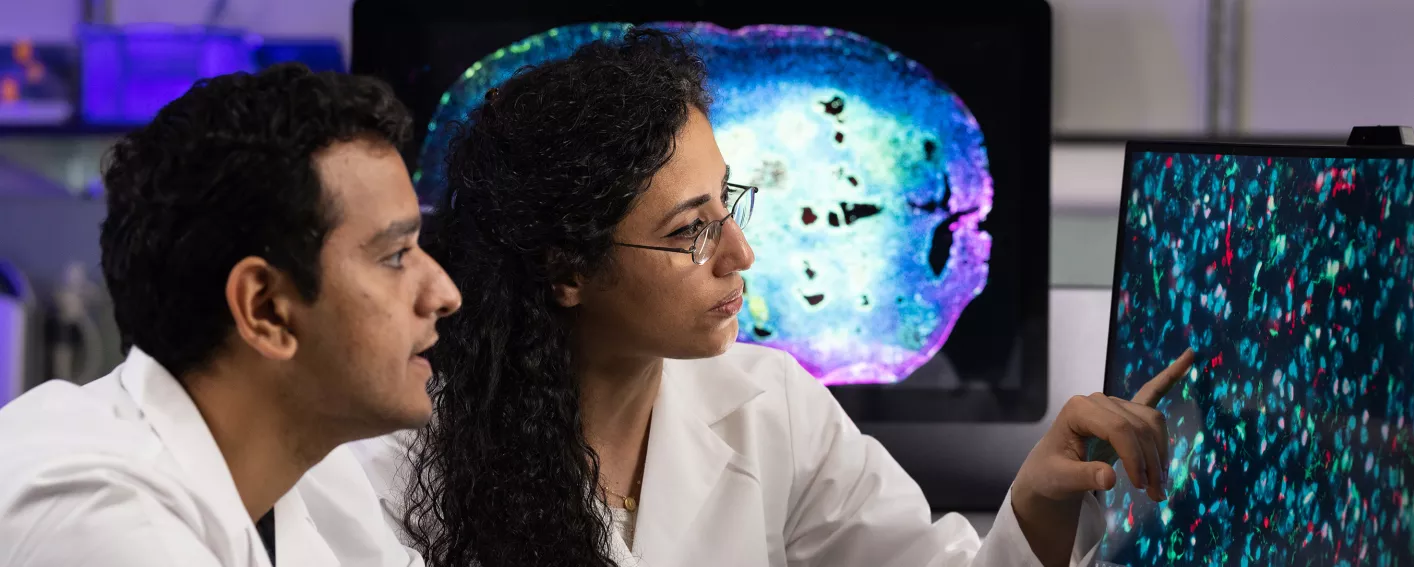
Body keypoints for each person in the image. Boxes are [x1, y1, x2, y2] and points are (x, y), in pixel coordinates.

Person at [353, 29, 1193, 567]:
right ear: (566, 270)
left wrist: (1039, 499)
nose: (740, 253)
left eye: (730, 200)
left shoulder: (773, 403)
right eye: (689, 230)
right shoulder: (391, 466)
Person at [0, 63, 461, 566]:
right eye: (395, 256)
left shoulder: (296, 473)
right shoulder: (99, 523)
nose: (444, 294)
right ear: (265, 309)